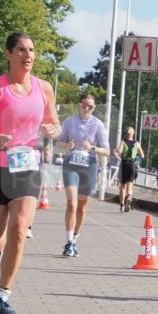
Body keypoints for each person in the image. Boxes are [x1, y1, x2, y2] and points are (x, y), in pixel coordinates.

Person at [0, 33, 60, 314]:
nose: (27, 55)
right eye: (20, 50)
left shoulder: (44, 89)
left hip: (26, 168)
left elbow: (53, 122)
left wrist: (54, 130)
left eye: (31, 50)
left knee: (19, 231)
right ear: (8, 53)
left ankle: (2, 298)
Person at [55, 93, 111, 257]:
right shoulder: (69, 121)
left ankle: (75, 240)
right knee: (71, 203)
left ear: (94, 108)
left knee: (82, 207)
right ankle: (69, 241)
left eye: (91, 106)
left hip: (89, 165)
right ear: (79, 105)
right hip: (71, 163)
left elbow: (106, 151)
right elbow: (57, 143)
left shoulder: (99, 125)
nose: (87, 108)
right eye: (85, 105)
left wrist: (92, 148)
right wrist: (66, 144)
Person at [115, 126, 145, 212]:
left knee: (122, 186)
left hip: (124, 164)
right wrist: (136, 156)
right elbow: (142, 156)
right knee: (130, 185)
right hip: (132, 165)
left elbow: (119, 151)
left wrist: (116, 152)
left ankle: (122, 205)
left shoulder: (123, 142)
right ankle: (129, 197)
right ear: (133, 134)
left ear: (126, 133)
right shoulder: (137, 143)